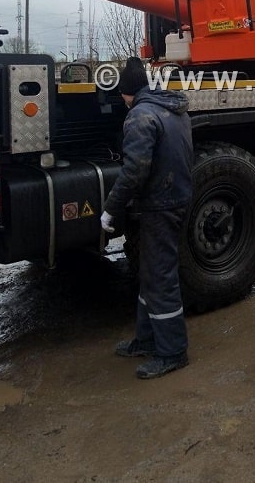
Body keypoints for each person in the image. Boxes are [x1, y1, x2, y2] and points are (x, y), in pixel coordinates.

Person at [100, 57, 193, 380]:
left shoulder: (140, 116)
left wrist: (111, 208)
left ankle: (173, 352)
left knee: (161, 276)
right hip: (174, 197)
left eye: (122, 95)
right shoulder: (173, 108)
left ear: (127, 93)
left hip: (161, 204)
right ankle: (147, 338)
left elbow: (134, 171)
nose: (123, 100)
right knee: (151, 271)